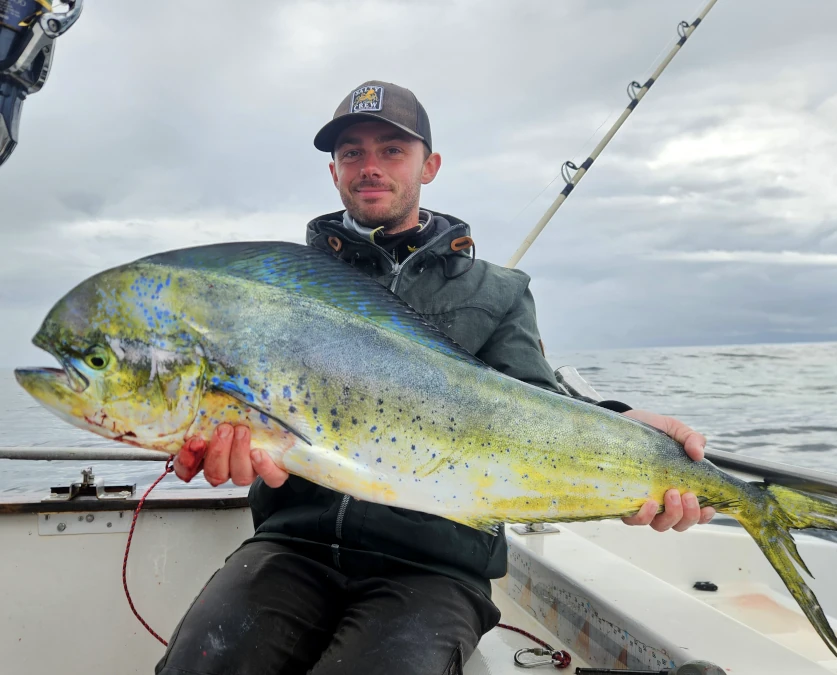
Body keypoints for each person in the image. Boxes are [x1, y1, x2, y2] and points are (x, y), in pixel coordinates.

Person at [155, 81, 715, 675]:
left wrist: (624, 436)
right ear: (334, 170)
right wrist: (202, 436)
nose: (369, 167)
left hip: (435, 567)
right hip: (293, 546)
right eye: (352, 152)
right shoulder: (286, 286)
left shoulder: (498, 292)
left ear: (431, 165)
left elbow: (536, 401)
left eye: (392, 150)